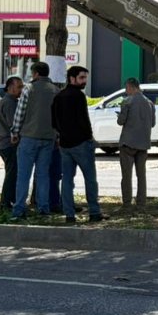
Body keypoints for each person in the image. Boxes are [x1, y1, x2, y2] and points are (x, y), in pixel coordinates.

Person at [52, 65, 103, 223]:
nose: (84, 81)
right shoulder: (79, 96)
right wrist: (89, 138)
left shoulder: (59, 96)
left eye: (85, 78)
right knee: (90, 179)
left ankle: (69, 214)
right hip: (81, 143)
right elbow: (84, 120)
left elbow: (53, 121)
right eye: (81, 78)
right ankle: (94, 212)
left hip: (65, 144)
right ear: (72, 78)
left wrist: (61, 135)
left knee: (67, 180)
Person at [10, 61, 59, 219]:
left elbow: (20, 113)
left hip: (29, 137)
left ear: (36, 74)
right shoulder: (55, 91)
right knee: (43, 174)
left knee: (23, 175)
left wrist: (15, 132)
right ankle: (43, 208)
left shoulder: (28, 89)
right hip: (48, 138)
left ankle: (19, 209)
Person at [117, 78, 155, 208]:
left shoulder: (127, 102)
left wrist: (120, 115)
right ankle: (141, 203)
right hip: (143, 143)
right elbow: (153, 123)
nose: (126, 91)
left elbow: (121, 121)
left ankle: (127, 203)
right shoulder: (150, 103)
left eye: (127, 88)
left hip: (128, 142)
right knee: (141, 175)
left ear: (130, 87)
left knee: (126, 176)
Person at [0, 76, 23, 212]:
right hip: (9, 144)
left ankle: (9, 201)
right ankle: (5, 203)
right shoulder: (10, 103)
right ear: (11, 87)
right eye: (19, 87)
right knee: (12, 174)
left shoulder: (8, 101)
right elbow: (14, 125)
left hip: (5, 143)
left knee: (12, 174)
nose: (21, 90)